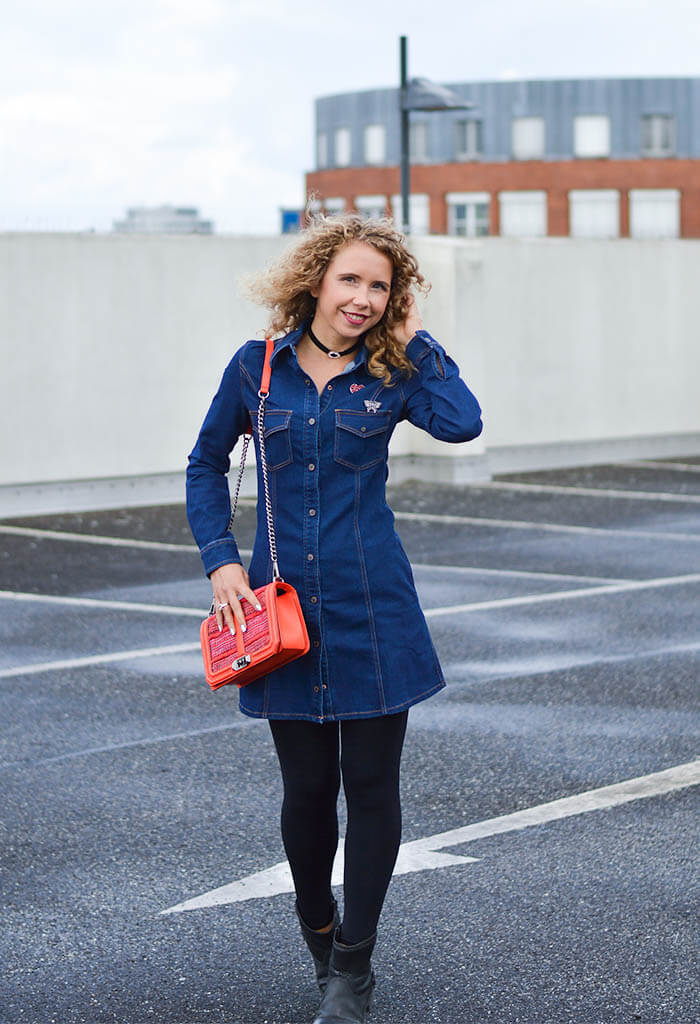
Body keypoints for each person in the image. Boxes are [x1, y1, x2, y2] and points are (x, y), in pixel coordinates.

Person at [186, 214, 482, 1024]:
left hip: (373, 607)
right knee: (308, 790)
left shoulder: (394, 370)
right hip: (282, 611)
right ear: (316, 279)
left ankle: (354, 966)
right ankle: (319, 934)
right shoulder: (258, 367)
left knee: (372, 786)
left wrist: (417, 341)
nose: (362, 297)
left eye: (380, 286)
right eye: (349, 279)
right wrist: (221, 560)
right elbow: (206, 462)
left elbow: (463, 422)